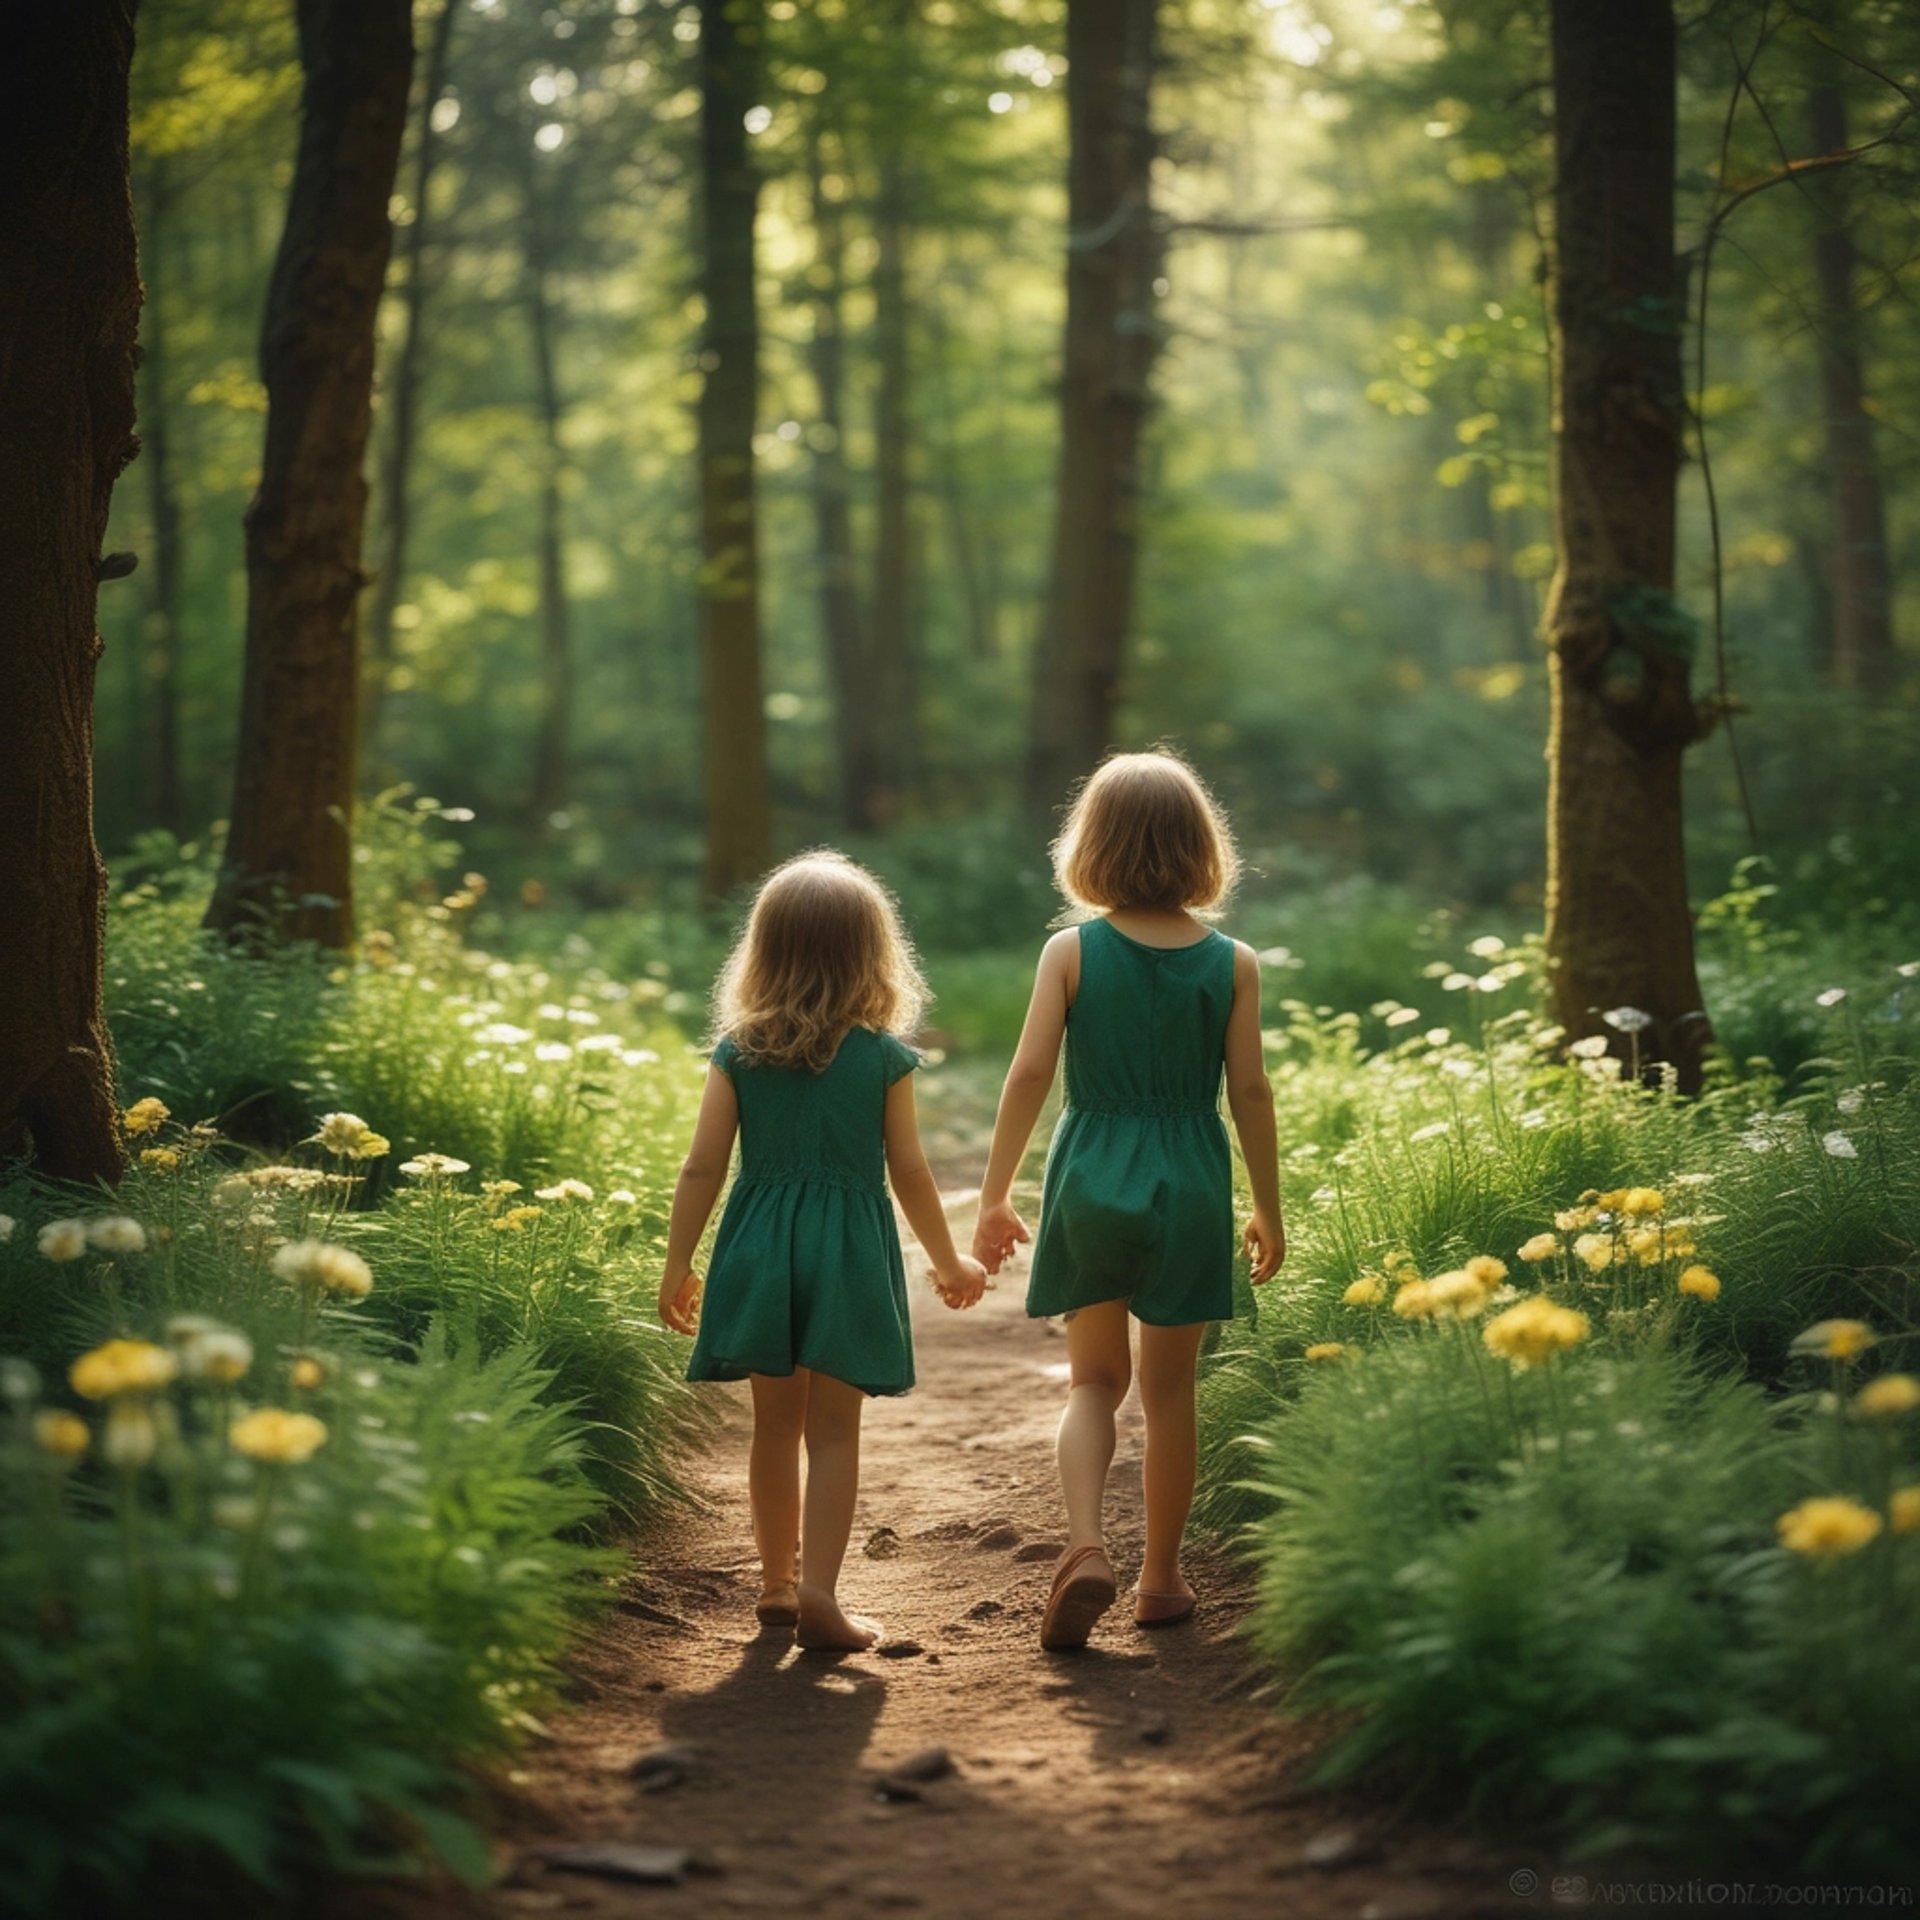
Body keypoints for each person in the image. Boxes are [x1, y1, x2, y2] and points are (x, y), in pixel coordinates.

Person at [972, 751, 1285, 1650]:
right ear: (1201, 848)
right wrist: (1268, 1205)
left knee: (1094, 1382)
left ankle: (1083, 1545)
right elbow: (1250, 1092)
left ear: (1091, 845)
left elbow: (1031, 1072)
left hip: (1091, 1174)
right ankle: (1160, 1579)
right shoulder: (1234, 962)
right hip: (1190, 1177)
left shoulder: (1070, 950)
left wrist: (995, 1196)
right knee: (1171, 1388)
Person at [659, 851, 987, 1652]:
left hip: (761, 1246)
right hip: (845, 1250)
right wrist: (947, 1261)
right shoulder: (881, 1056)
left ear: (762, 951)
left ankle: (775, 1584)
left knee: (773, 1427)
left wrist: (678, 1263)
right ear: (873, 952)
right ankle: (820, 1596)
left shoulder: (739, 1051)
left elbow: (702, 1163)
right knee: (834, 1432)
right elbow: (909, 1168)